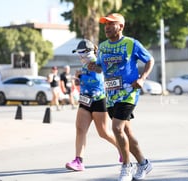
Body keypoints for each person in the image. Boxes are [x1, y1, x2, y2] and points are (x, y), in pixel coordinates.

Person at [89, 13, 154, 181]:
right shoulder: (102, 47)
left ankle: (126, 167)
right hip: (111, 95)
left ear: (121, 26)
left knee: (116, 128)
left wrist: (142, 78)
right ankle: (144, 163)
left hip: (129, 93)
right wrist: (91, 66)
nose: (107, 27)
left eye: (111, 24)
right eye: (105, 24)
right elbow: (100, 68)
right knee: (126, 132)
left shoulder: (131, 43)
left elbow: (150, 60)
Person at [65, 39, 121, 171]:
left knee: (104, 133)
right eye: (78, 53)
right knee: (80, 129)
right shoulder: (84, 65)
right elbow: (83, 82)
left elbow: (100, 78)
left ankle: (122, 148)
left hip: (99, 101)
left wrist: (85, 74)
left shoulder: (99, 63)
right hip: (85, 100)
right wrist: (78, 79)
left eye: (82, 53)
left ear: (89, 52)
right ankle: (78, 161)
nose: (80, 56)